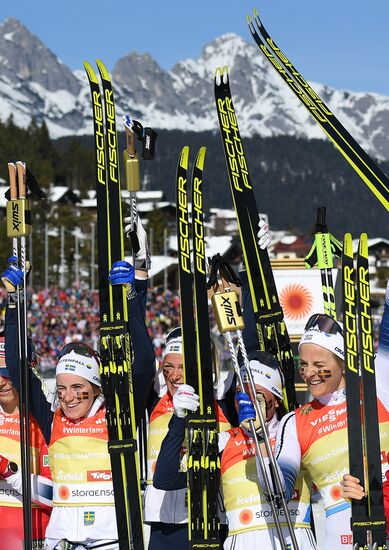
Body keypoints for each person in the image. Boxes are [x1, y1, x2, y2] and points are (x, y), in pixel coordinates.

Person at [2, 252, 155, 550]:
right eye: (61, 388)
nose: (68, 397)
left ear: (96, 387)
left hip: (110, 539)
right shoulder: (53, 419)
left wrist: (132, 300)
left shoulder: (117, 416)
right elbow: (17, 364)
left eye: (77, 388)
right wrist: (14, 301)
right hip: (62, 541)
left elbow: (145, 365)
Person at [153, 349, 316, 550]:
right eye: (242, 394)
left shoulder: (295, 429)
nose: (247, 403)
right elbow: (165, 479)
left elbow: (280, 490)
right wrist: (178, 419)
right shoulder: (225, 440)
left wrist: (260, 435)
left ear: (275, 399)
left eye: (257, 396)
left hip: (294, 538)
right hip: (243, 541)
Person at [270, 307, 389, 549]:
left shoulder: (377, 390)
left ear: (342, 364)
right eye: (304, 364)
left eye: (319, 364)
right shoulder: (295, 422)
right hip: (342, 541)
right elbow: (279, 487)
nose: (309, 373)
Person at [143, 326, 235, 550]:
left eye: (183, 367)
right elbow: (142, 361)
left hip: (212, 521)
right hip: (164, 525)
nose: (174, 376)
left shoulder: (222, 399)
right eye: (168, 368)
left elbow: (245, 351)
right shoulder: (157, 399)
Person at [0, 331, 51, 549]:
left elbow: (55, 494)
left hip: (29, 536)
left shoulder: (42, 420)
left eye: (7, 373)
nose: (1, 382)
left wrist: (8, 470)